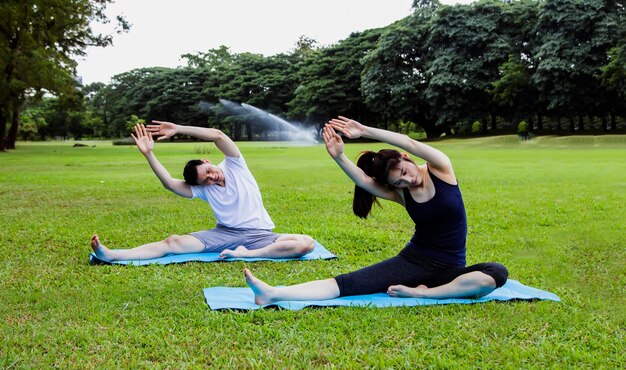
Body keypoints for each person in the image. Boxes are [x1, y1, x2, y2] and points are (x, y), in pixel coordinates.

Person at [244, 116, 508, 305]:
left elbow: (410, 143)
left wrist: (365, 130)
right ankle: (273, 293)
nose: (407, 180)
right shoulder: (402, 193)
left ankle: (423, 293)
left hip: (451, 270)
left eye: (405, 172)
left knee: (495, 274)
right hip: (413, 262)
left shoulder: (441, 169)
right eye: (398, 182)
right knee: (347, 284)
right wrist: (339, 157)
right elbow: (363, 182)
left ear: (405, 159)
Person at [90, 121, 314, 261]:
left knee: (305, 244)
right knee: (172, 242)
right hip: (224, 234)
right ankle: (112, 255)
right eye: (205, 179)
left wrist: (178, 129)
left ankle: (247, 255)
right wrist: (149, 154)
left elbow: (217, 135)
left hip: (260, 235)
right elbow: (169, 183)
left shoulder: (235, 165)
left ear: (208, 161)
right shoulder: (205, 190)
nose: (211, 176)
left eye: (208, 170)